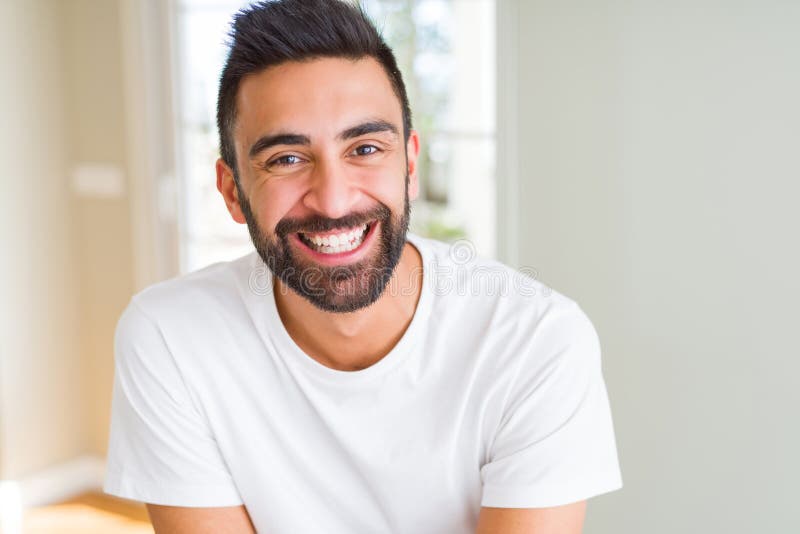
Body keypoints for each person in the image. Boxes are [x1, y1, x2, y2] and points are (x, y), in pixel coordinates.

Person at [104, 0, 623, 532]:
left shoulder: (537, 341)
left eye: (366, 147)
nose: (332, 201)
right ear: (233, 191)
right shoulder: (170, 337)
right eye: (286, 158)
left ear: (410, 165)